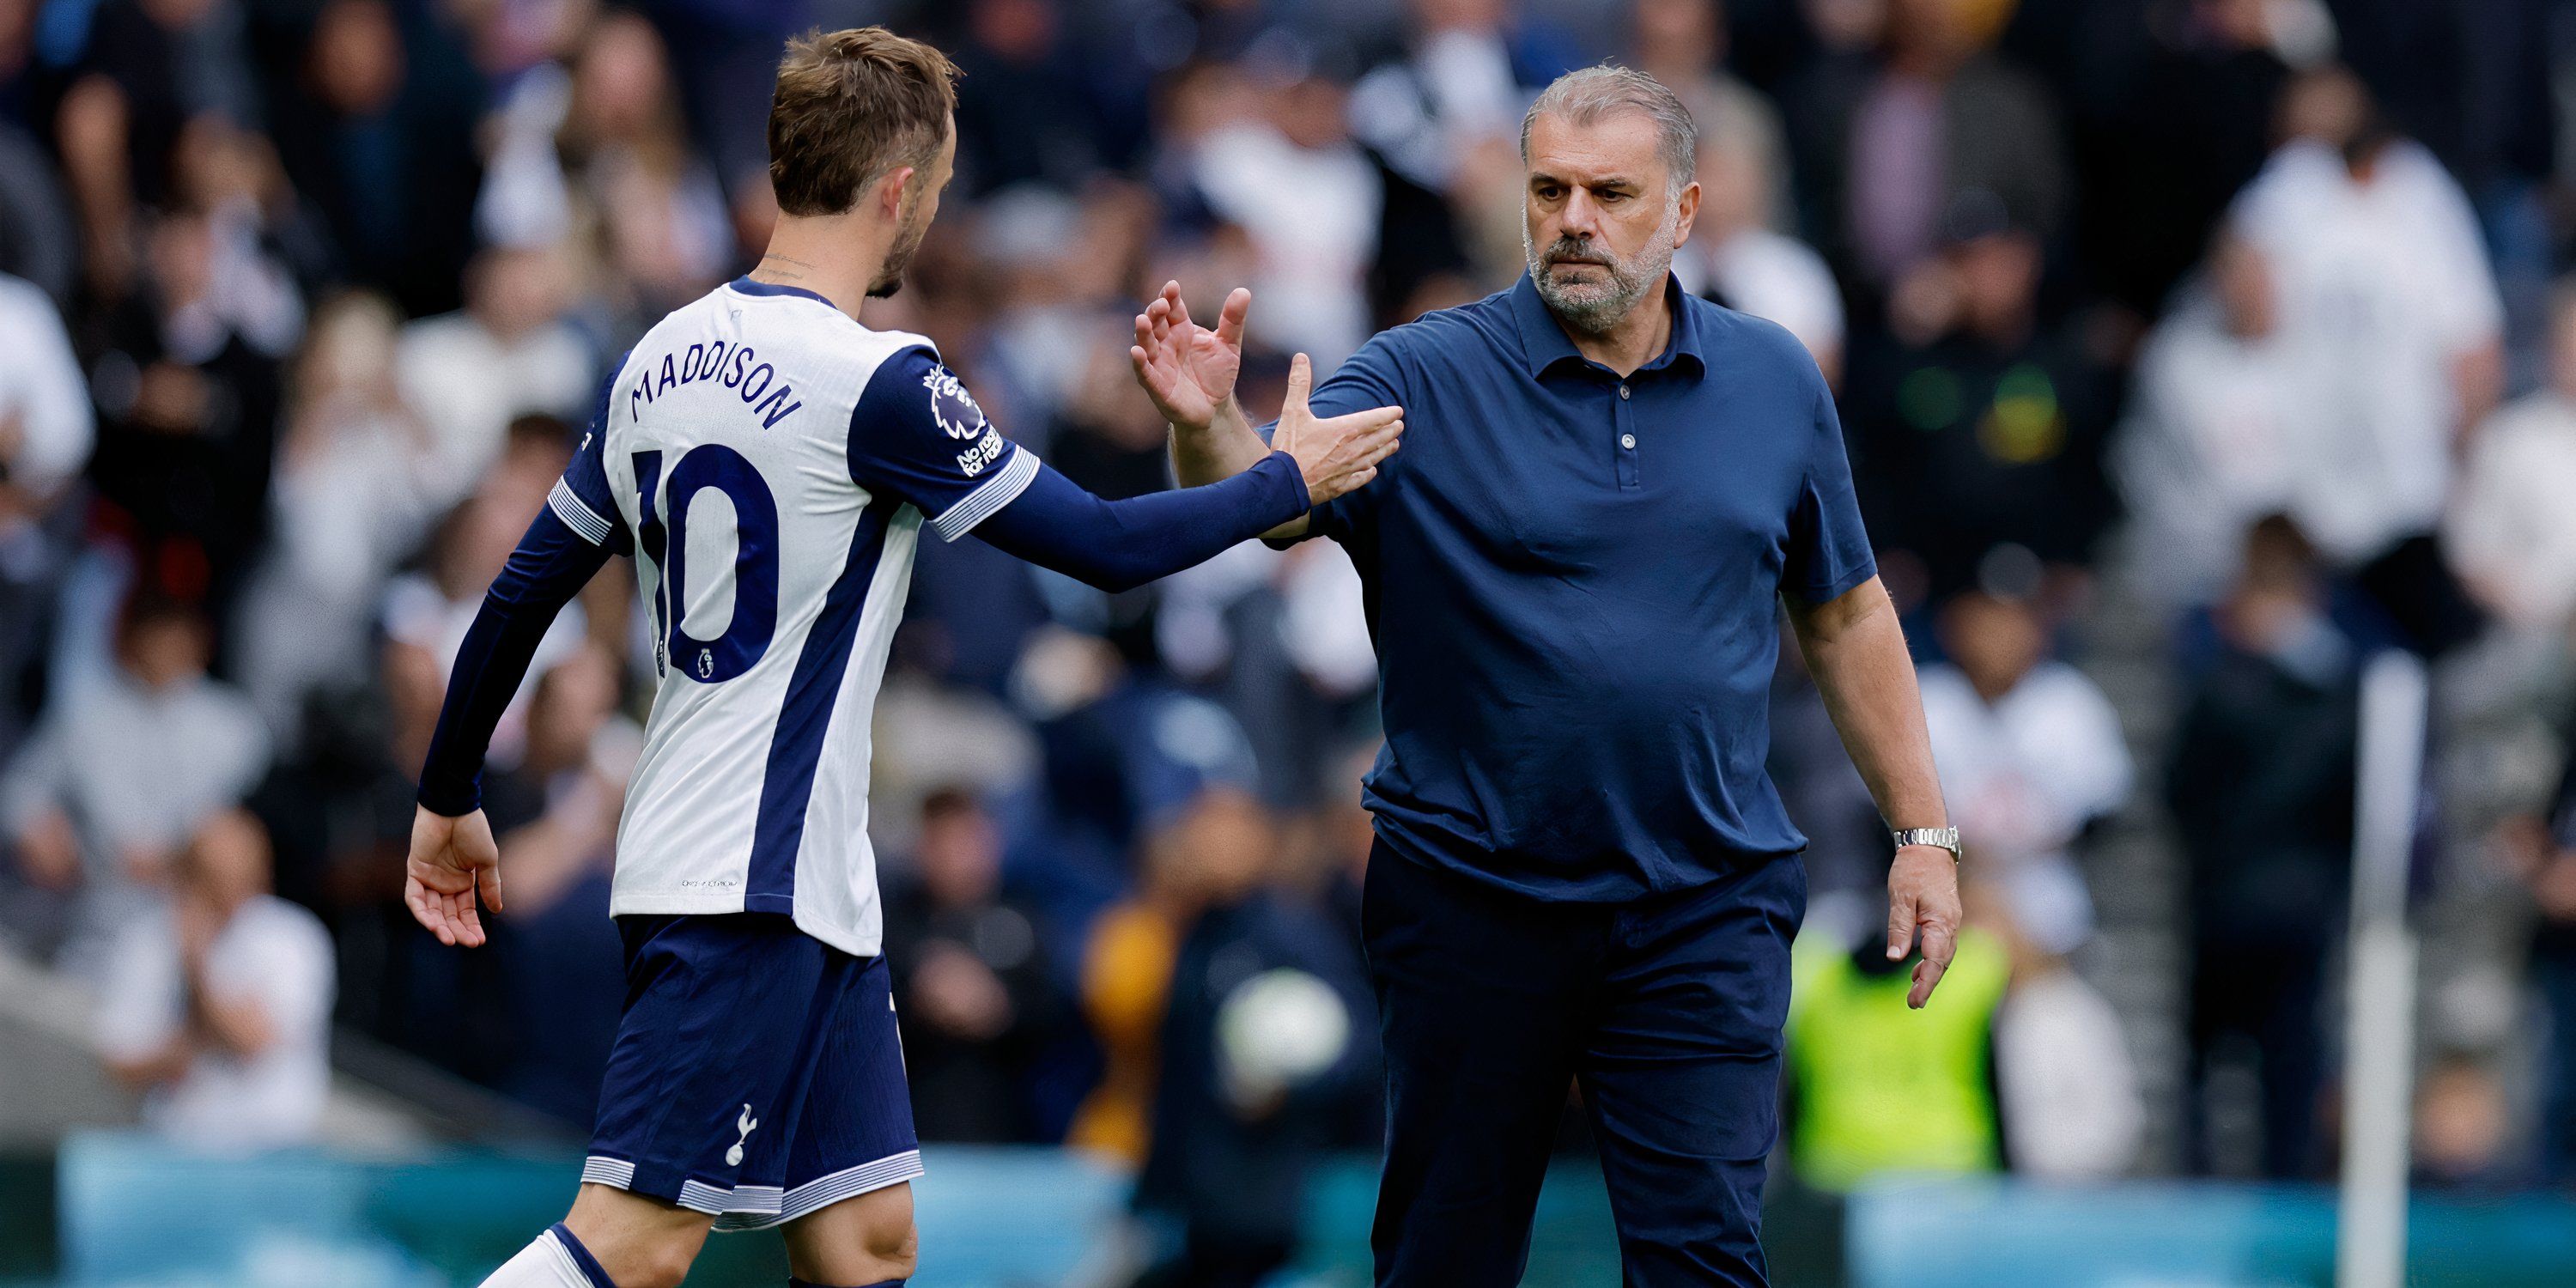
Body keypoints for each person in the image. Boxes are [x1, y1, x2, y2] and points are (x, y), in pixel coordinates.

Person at [399, 27, 1404, 1288]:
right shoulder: (878, 382)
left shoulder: (656, 355)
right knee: (635, 1249)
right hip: (747, 885)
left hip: (792, 880)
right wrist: (1279, 478)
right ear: (899, 189)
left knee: (870, 1245)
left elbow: (521, 585)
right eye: (936, 187)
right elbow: (1099, 547)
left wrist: (449, 795)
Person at [1131, 64, 1960, 1287]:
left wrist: (1924, 831)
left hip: (1705, 898)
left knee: (1706, 1266)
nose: (1574, 218)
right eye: (1550, 189)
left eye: (1611, 193)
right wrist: (1206, 427)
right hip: (1472, 896)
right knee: (1443, 1262)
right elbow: (1266, 504)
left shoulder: (1774, 379)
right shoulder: (1420, 375)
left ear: (1682, 212)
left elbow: (1844, 612)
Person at [93, 808, 337, 1149]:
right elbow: (120, 1059)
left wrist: (196, 968)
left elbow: (251, 1041)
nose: (228, 893)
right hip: (175, 1144)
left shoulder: (293, 940)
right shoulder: (147, 939)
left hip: (273, 1152)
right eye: (211, 878)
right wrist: (180, 1052)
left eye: (239, 877)